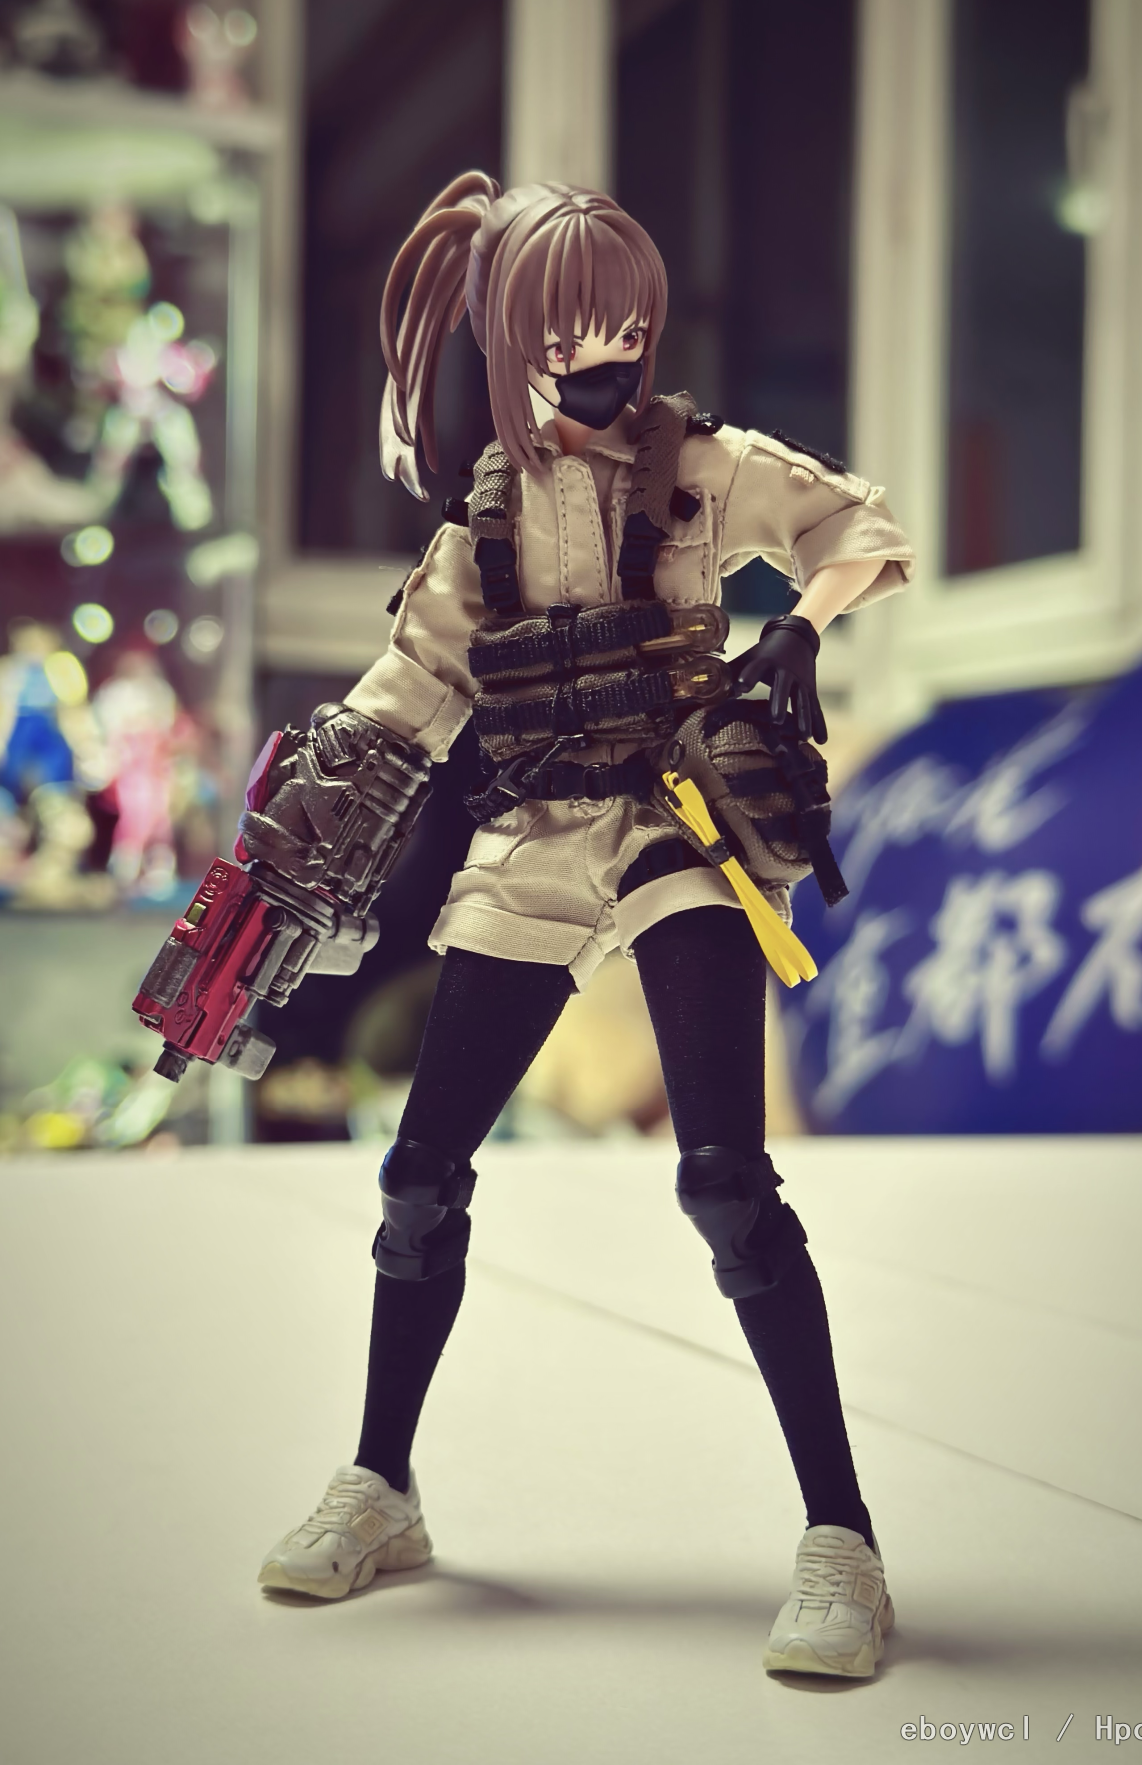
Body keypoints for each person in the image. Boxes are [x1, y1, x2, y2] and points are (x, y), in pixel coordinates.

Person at [256, 174, 914, 1679]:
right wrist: (304, 819)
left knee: (726, 1183)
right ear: (510, 346)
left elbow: (862, 524)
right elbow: (404, 702)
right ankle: (382, 1483)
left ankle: (845, 1540)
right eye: (567, 335)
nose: (603, 357)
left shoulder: (702, 469)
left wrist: (799, 625)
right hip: (535, 842)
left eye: (623, 326)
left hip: (680, 830)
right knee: (419, 1176)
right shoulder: (475, 535)